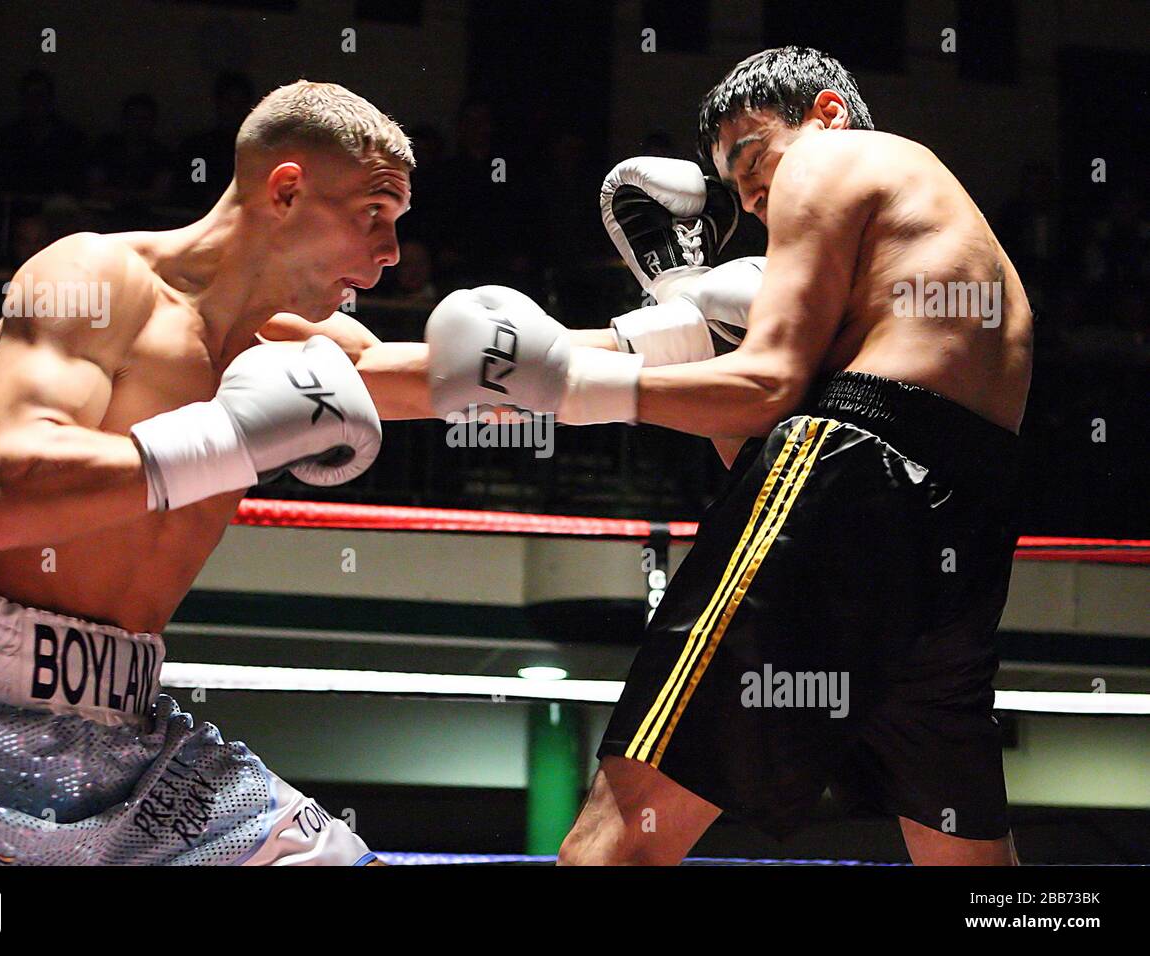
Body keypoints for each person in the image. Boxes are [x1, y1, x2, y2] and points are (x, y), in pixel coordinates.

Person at [424, 46, 1033, 865]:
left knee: (611, 845)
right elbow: (754, 447)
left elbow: (768, 392)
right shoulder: (924, 247)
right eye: (740, 191)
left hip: (853, 473)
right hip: (964, 532)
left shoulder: (836, 156)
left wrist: (571, 388)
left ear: (826, 111)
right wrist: (682, 306)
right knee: (975, 873)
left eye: (754, 160)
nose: (753, 199)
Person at [0, 79, 414, 866]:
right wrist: (228, 436)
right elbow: (6, 494)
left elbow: (503, 371)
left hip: (136, 742)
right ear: (287, 189)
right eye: (373, 217)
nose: (389, 253)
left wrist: (646, 337)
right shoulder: (99, 278)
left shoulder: (292, 352)